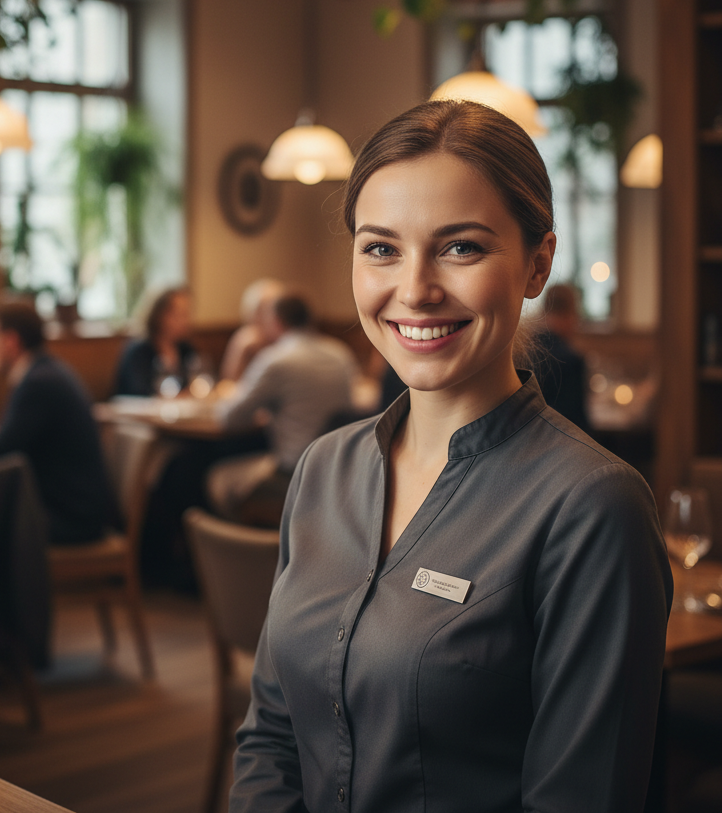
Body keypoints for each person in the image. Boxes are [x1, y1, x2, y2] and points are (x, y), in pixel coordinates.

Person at [231, 100, 671, 813]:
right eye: (381, 248)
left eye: (460, 247)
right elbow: (272, 737)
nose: (414, 290)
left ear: (537, 264)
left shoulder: (593, 507)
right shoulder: (323, 469)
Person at [208, 293, 359, 524]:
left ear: (276, 322)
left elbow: (229, 418)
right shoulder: (340, 354)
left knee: (218, 478)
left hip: (291, 473)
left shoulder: (276, 359)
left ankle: (245, 548)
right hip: (339, 470)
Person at [0, 301, 120, 543]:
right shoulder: (45, 371)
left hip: (72, 519)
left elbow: (0, 453)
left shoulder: (37, 384)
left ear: (11, 341)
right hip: (78, 509)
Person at [113, 285, 199, 396]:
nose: (185, 321)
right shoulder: (138, 352)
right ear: (159, 315)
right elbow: (137, 394)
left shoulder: (186, 350)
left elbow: (196, 384)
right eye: (178, 315)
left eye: (186, 314)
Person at [532, 281, 591, 431]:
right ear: (570, 313)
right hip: (562, 444)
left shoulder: (527, 351)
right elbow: (578, 422)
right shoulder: (571, 360)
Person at [219, 278, 286, 382]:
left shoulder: (289, 341)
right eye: (262, 311)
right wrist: (243, 350)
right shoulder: (245, 339)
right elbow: (228, 383)